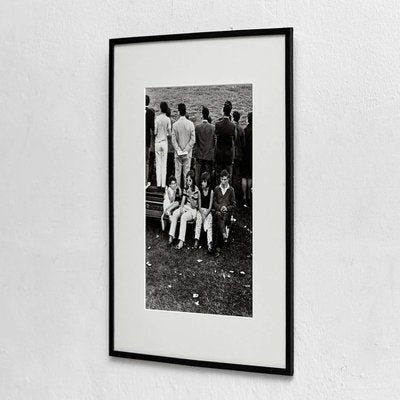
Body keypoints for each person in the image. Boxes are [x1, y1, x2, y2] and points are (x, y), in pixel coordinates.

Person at [168, 170, 199, 249]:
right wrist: (181, 208)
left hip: (192, 210)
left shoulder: (196, 189)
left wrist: (190, 195)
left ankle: (181, 241)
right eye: (187, 180)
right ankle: (171, 236)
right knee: (175, 213)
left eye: (190, 180)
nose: (188, 182)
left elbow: (194, 206)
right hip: (186, 206)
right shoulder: (186, 187)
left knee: (183, 217)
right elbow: (183, 200)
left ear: (193, 180)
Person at [171, 103, 195, 188]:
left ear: (178, 112)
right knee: (186, 173)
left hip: (178, 153)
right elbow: (193, 140)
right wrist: (186, 149)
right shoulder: (191, 124)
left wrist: (178, 150)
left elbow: (173, 140)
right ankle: (186, 191)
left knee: (177, 173)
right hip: (187, 153)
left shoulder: (175, 125)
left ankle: (177, 190)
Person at [213, 169, 236, 256]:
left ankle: (216, 247)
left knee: (221, 218)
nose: (223, 181)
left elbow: (234, 205)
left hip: (226, 213)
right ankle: (223, 234)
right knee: (219, 215)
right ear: (220, 179)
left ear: (228, 179)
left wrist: (226, 208)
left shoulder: (231, 190)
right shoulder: (217, 189)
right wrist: (219, 207)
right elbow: (214, 203)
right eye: (222, 179)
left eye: (225, 179)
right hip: (218, 212)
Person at [194, 106, 215, 187]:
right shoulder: (213, 128)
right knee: (208, 175)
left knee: (197, 176)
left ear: (202, 115)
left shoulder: (198, 127)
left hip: (199, 155)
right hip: (208, 155)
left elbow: (196, 142)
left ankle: (197, 190)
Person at [214, 102, 235, 182]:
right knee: (228, 176)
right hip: (228, 155)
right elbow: (234, 140)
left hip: (219, 155)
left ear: (223, 111)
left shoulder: (218, 124)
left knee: (218, 175)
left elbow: (215, 139)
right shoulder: (232, 126)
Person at [194, 172, 214, 253]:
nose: (202, 183)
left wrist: (206, 214)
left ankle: (209, 243)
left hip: (208, 211)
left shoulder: (211, 192)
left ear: (208, 182)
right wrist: (202, 214)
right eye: (202, 181)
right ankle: (196, 239)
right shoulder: (199, 191)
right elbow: (199, 205)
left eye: (204, 181)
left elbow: (210, 206)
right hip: (201, 210)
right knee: (199, 220)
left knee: (209, 222)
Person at [154, 101, 171, 188]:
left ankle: (158, 184)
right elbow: (169, 132)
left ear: (160, 108)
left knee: (158, 163)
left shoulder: (157, 118)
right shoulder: (168, 119)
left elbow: (155, 131)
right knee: (164, 164)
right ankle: (164, 184)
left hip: (157, 142)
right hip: (164, 142)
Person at [232, 110, 245, 202]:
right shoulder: (241, 129)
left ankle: (232, 192)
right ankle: (237, 193)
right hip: (239, 154)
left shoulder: (232, 128)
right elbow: (243, 144)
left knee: (232, 174)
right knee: (237, 174)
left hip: (232, 154)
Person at [241, 112, 253, 207]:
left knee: (245, 177)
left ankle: (244, 197)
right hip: (252, 155)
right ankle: (250, 196)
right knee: (251, 177)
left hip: (245, 155)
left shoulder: (245, 130)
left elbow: (243, 144)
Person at [145, 95, 155, 186]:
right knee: (147, 161)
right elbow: (153, 128)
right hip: (147, 140)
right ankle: (145, 180)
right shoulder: (151, 113)